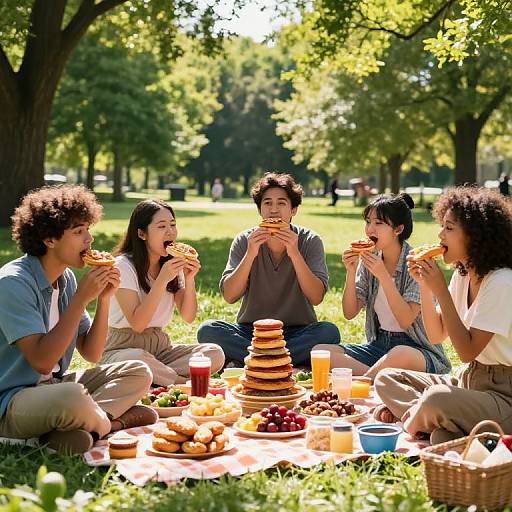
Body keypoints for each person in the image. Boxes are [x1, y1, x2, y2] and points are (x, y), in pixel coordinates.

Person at [0, 185, 157, 454]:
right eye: (79, 232)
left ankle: (62, 433)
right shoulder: (12, 283)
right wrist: (80, 300)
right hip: (11, 400)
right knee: (72, 397)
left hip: (53, 387)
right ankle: (112, 424)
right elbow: (42, 361)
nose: (90, 239)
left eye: (88, 229)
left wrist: (105, 299)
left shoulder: (66, 278)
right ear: (49, 239)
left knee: (138, 371)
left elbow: (93, 352)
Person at [375, 186, 512, 445]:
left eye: (449, 228)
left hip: (505, 395)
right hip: (470, 379)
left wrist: (440, 289)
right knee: (388, 377)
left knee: (436, 398)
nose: (440, 235)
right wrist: (426, 287)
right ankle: (443, 427)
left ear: (475, 236)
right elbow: (437, 334)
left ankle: (416, 421)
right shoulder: (463, 275)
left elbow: (466, 351)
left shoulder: (502, 282)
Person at [197, 172, 340, 366]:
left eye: (281, 203)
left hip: (297, 330)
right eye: (267, 203)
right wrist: (251, 253)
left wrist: (295, 253)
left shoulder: (310, 240)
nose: (274, 210)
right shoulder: (244, 240)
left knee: (329, 332)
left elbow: (316, 297)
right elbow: (230, 296)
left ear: (294, 210)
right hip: (252, 331)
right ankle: (281, 361)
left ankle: (255, 360)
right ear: (259, 209)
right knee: (208, 330)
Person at [313, 193, 451, 380]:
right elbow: (349, 312)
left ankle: (364, 381)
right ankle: (378, 375)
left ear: (398, 229)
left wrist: (384, 277)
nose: (370, 229)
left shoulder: (416, 262)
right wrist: (351, 271)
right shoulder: (371, 260)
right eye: (368, 222)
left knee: (399, 354)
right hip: (380, 345)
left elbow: (405, 320)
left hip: (416, 350)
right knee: (321, 351)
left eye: (378, 223)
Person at [100, 199, 224, 384]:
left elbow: (188, 316)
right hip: (122, 348)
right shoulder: (123, 266)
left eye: (173, 225)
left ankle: (156, 378)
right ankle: (179, 382)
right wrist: (161, 281)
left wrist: (189, 279)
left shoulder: (171, 265)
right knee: (138, 360)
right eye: (162, 226)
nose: (170, 232)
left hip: (160, 349)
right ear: (142, 234)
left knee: (214, 353)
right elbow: (138, 324)